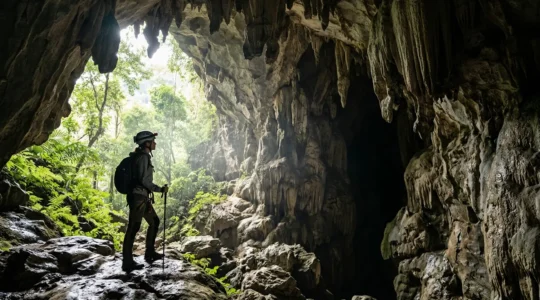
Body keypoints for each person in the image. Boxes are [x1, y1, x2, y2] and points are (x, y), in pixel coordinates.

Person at [122, 130, 169, 272]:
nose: (155, 143)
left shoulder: (142, 156)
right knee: (133, 227)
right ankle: (128, 262)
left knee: (154, 222)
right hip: (138, 197)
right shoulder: (143, 158)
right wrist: (160, 189)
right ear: (147, 143)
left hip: (141, 197)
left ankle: (150, 253)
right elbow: (144, 180)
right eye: (152, 141)